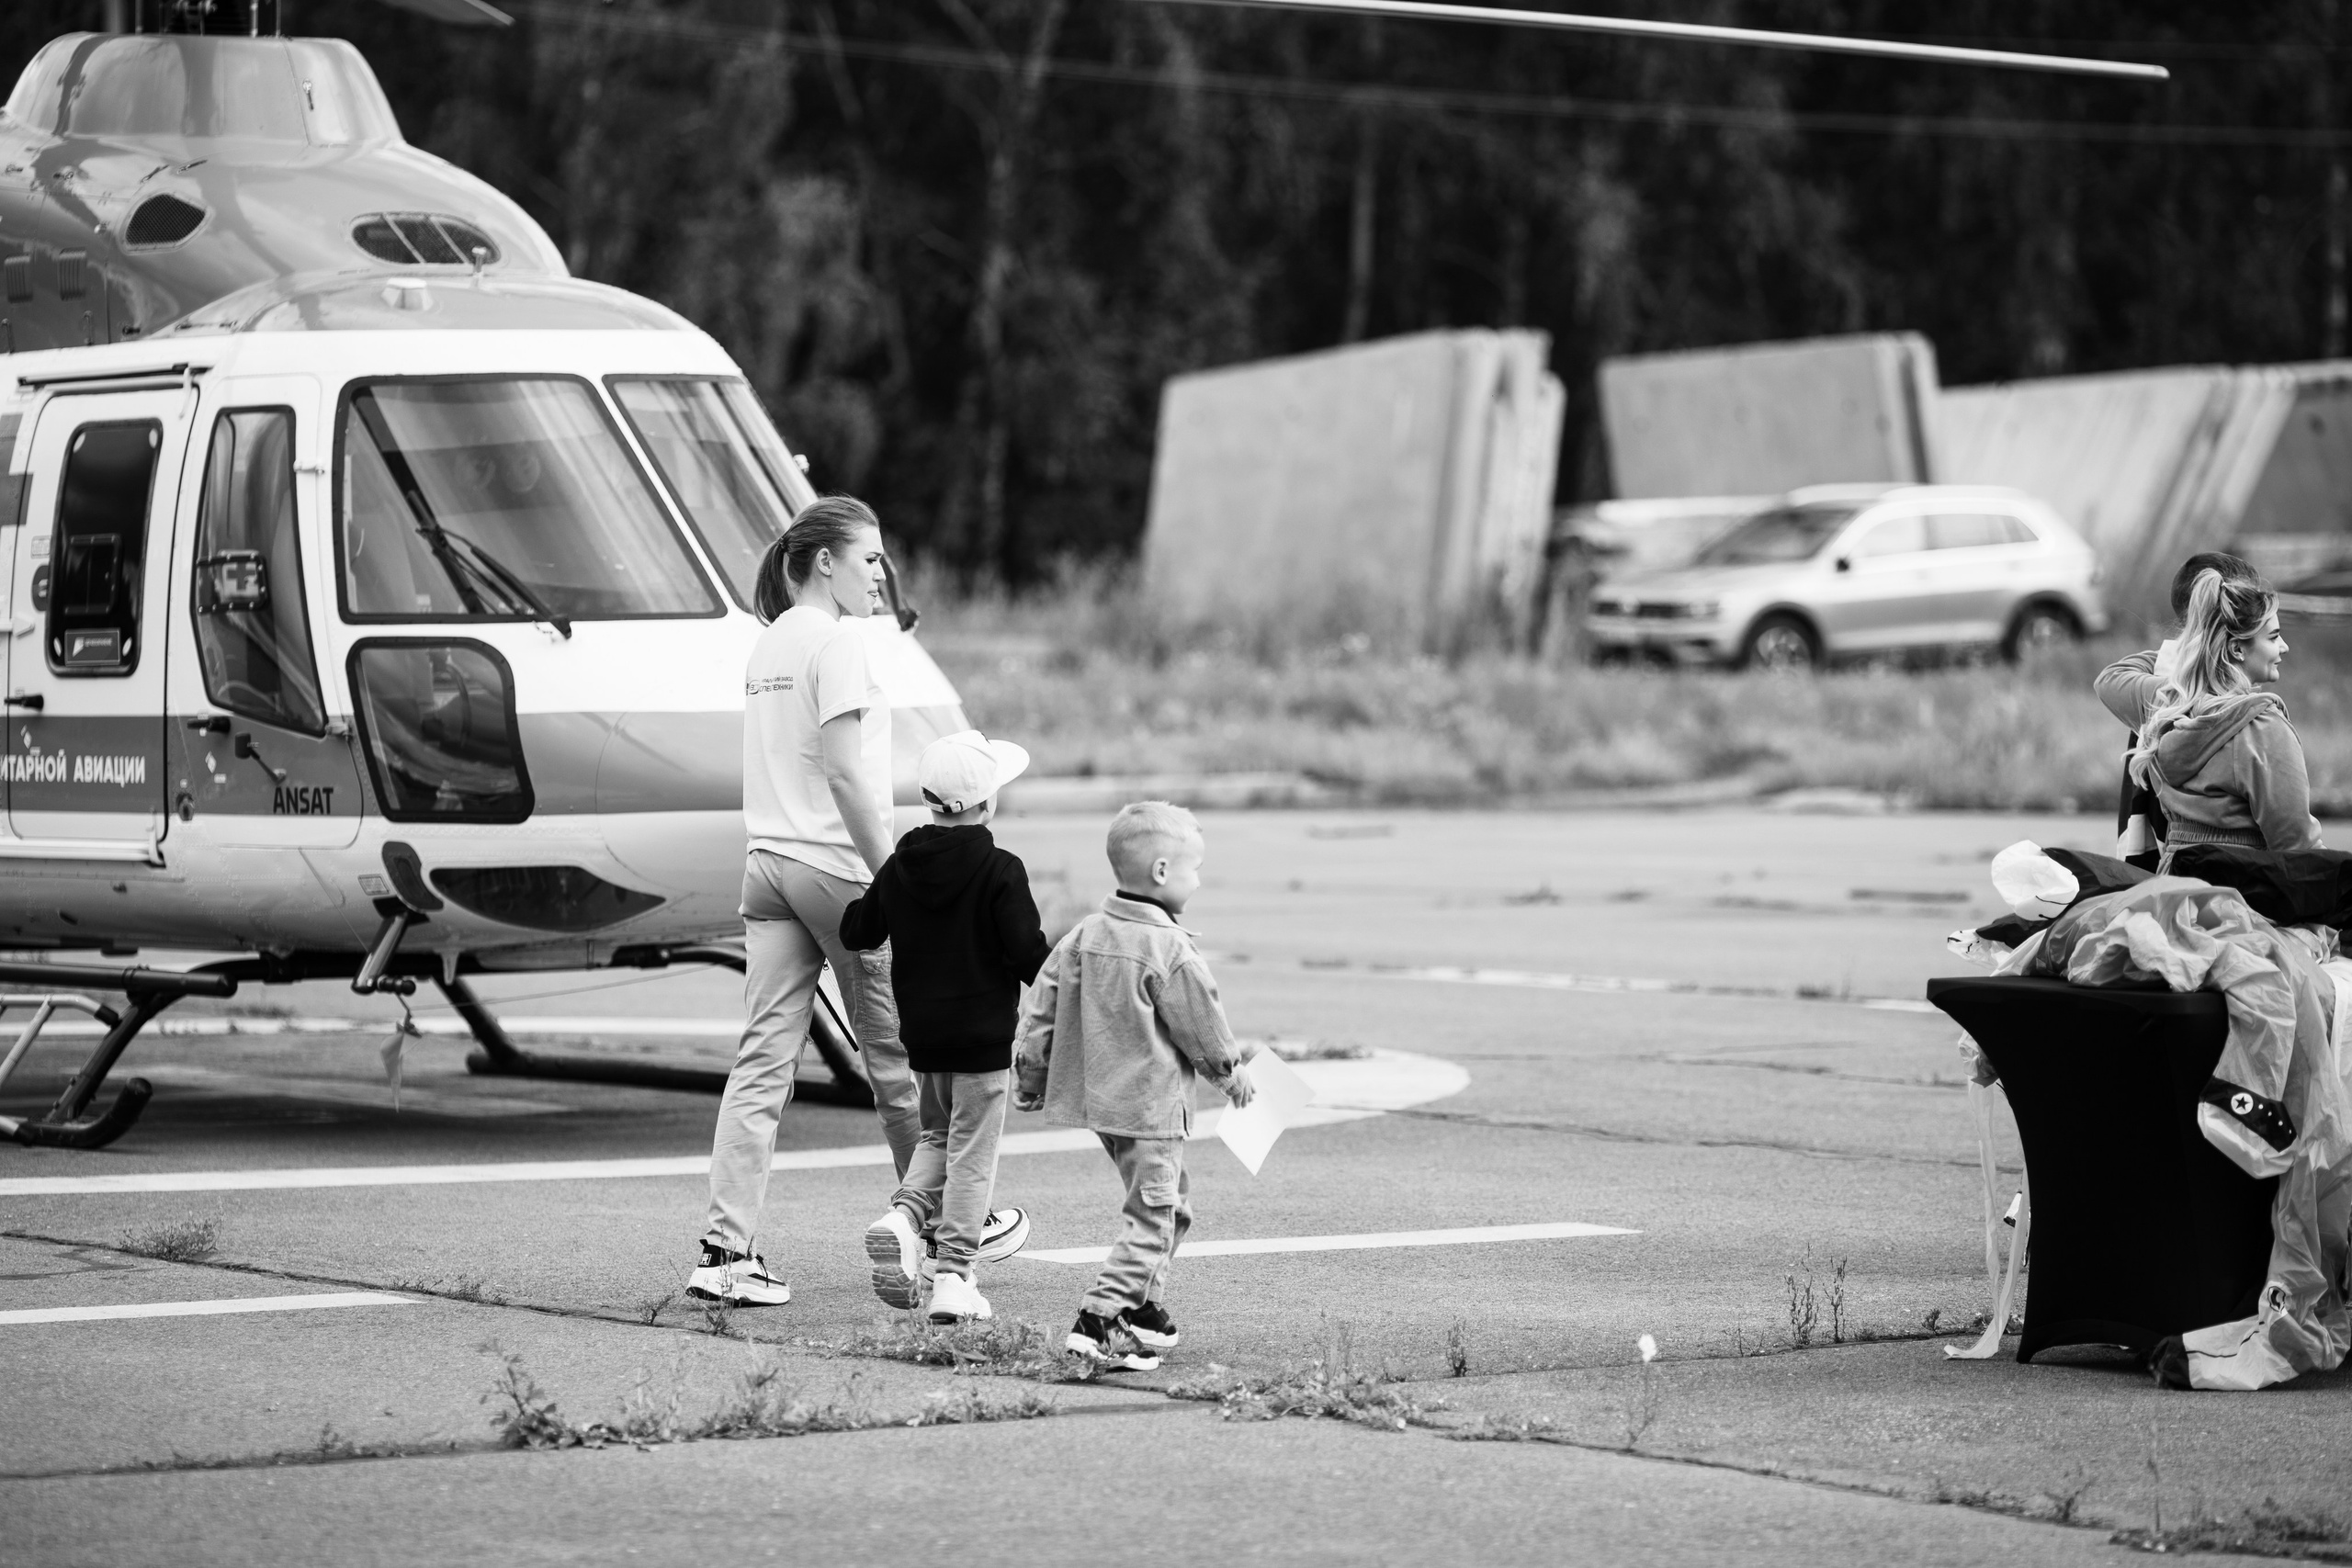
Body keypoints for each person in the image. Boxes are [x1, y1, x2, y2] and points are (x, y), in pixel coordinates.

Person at [687, 496, 1012, 1305]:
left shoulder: (768, 642)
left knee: (761, 1063)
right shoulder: (837, 644)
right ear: (825, 561)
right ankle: (942, 1227)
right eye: (870, 558)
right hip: (833, 871)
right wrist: (895, 876)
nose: (881, 574)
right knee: (898, 1060)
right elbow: (843, 772)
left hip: (767, 868)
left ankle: (724, 1253)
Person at [1013, 801, 1258, 1371]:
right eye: (1195, 869)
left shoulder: (1084, 934)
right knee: (1152, 1218)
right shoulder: (1170, 948)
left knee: (1172, 1207)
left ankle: (1142, 1309)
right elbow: (1201, 1023)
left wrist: (1031, 1075)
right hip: (1151, 1110)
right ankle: (1098, 1320)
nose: (1199, 881)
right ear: (1163, 872)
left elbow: (1040, 1010)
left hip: (1104, 1107)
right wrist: (1231, 1073)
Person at [841, 729, 1049, 1323]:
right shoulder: (1001, 869)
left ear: (929, 799)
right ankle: (955, 1274)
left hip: (925, 1041)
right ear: (988, 801)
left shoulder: (901, 863)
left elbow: (858, 930)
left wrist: (873, 897)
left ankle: (903, 1215)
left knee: (936, 1137)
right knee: (973, 1156)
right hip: (982, 1042)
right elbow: (1028, 955)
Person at [2126, 569, 2321, 874]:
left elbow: (2110, 679)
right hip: (2241, 890)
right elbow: (2297, 847)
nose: (2284, 646)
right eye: (2273, 637)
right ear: (2237, 649)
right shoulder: (2260, 727)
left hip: (2173, 888)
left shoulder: (2172, 715)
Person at [2096, 553, 2263, 869]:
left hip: (2169, 864)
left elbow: (2109, 680)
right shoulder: (2257, 714)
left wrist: (2186, 666)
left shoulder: (2165, 682)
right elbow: (2291, 831)